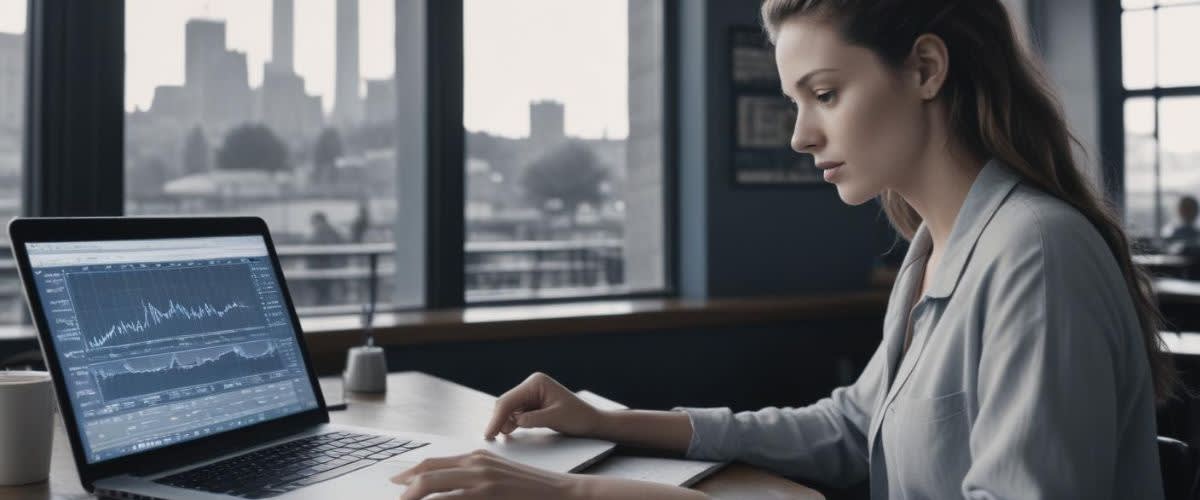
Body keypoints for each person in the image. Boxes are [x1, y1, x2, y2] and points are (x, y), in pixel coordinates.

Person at [389, 1, 1174, 498]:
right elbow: (846, 428)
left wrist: (578, 497)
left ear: (927, 68)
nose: (801, 135)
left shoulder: (1035, 254)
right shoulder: (935, 245)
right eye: (797, 101)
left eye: (825, 94)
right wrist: (613, 421)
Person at [307, 211, 346, 306]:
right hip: (328, 271)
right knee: (326, 297)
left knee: (323, 297)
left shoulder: (322, 233)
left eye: (314, 222)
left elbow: (317, 250)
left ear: (320, 221)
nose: (313, 225)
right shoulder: (333, 232)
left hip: (324, 271)